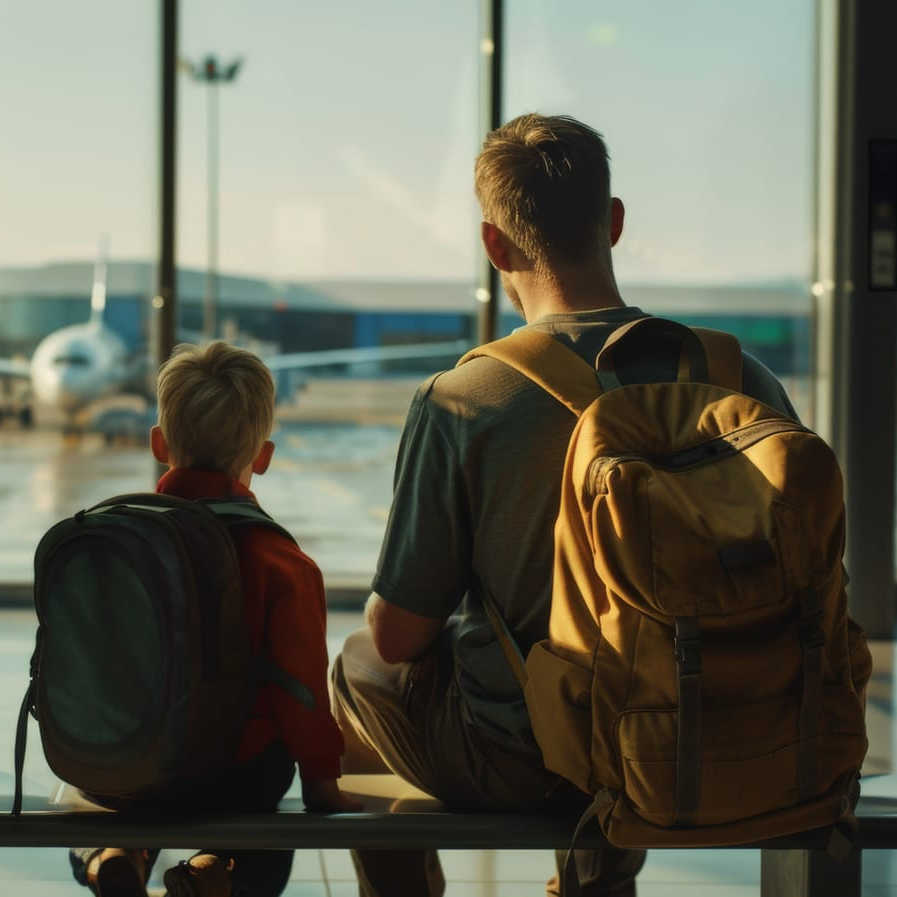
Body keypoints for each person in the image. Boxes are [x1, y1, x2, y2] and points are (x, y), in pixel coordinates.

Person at [330, 113, 801, 897]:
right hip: (735, 740)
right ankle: (596, 884)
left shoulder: (463, 399)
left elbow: (400, 633)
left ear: (495, 246)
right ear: (613, 224)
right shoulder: (739, 376)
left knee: (357, 664)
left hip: (530, 764)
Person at [70, 341, 360, 897]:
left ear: (159, 444)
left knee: (112, 817)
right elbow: (300, 691)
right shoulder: (282, 562)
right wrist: (323, 783)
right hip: (236, 776)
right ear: (263, 456)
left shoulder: (114, 544)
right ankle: (215, 872)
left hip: (124, 766)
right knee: (263, 841)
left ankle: (115, 855)